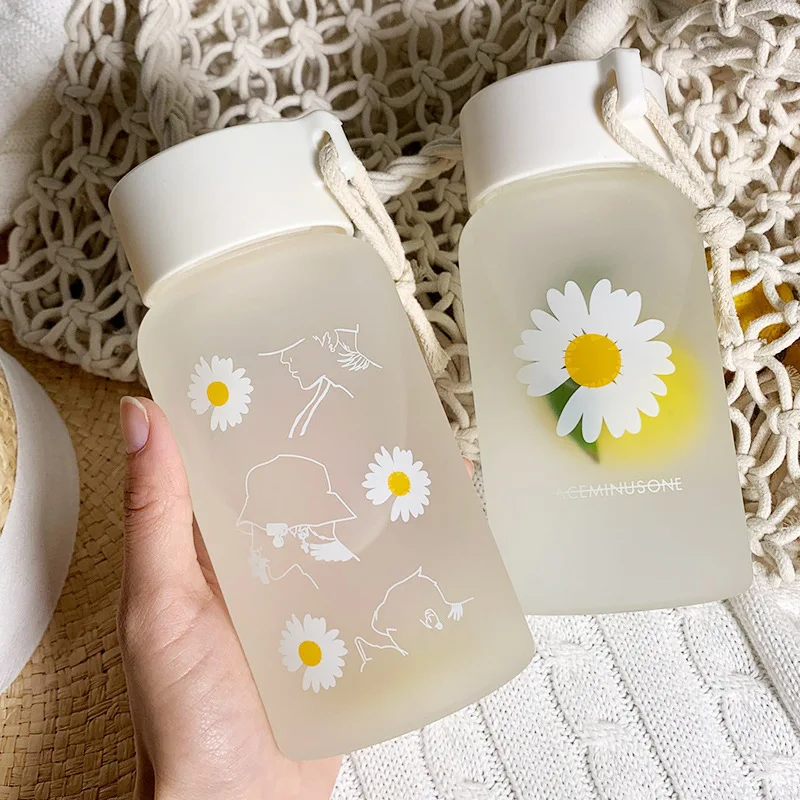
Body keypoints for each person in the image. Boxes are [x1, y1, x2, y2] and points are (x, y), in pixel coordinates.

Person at [118, 396, 474, 799]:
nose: (311, 537)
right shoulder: (274, 579)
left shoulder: (330, 571)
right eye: (295, 529)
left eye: (311, 528)